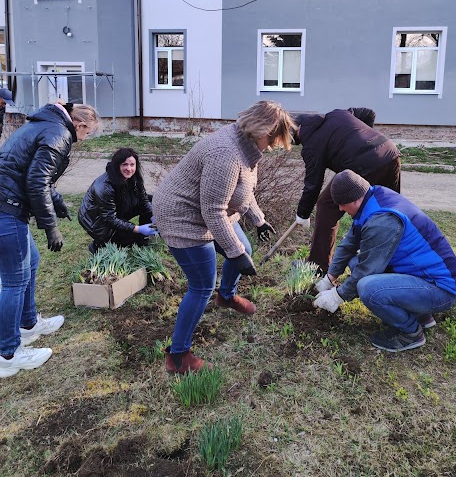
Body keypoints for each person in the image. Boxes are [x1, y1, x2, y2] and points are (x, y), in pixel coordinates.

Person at [152, 100, 296, 374]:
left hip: (207, 210)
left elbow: (242, 191)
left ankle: (226, 296)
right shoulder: (226, 155)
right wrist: (235, 252)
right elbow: (213, 210)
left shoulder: (246, 147)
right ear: (261, 130)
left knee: (244, 247)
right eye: (273, 139)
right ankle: (178, 356)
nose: (273, 145)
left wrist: (259, 220)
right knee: (202, 286)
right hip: (183, 217)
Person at [313, 170, 456, 352]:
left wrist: (337, 296)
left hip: (440, 289)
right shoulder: (372, 198)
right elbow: (348, 245)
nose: (340, 209)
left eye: (342, 205)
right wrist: (329, 278)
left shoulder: (382, 220)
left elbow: (367, 271)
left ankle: (411, 333)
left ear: (354, 199)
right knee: (354, 262)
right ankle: (420, 314)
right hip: (422, 278)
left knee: (367, 287)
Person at [0, 101, 101, 378]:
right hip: (6, 210)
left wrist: (56, 201)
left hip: (7, 204)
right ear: (79, 125)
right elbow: (35, 181)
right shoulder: (59, 133)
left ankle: (28, 324)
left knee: (31, 262)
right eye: (87, 133)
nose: (84, 138)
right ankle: (7, 353)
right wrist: (50, 228)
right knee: (13, 282)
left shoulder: (45, 124)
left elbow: (30, 171)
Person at [293, 107, 401, 272]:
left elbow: (313, 184)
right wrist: (365, 138)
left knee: (326, 206)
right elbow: (368, 113)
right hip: (390, 154)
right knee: (390, 212)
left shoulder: (311, 143)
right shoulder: (338, 114)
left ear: (298, 131)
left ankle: (317, 267)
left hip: (364, 165)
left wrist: (303, 214)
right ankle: (396, 265)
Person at [78, 147, 157, 253]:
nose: (129, 169)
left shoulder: (134, 179)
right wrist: (138, 229)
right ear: (117, 165)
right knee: (128, 239)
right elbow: (110, 218)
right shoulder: (104, 187)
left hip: (117, 208)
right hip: (97, 220)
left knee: (152, 201)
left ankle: (142, 238)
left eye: (132, 165)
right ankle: (98, 244)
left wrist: (154, 216)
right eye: (125, 164)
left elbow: (143, 201)